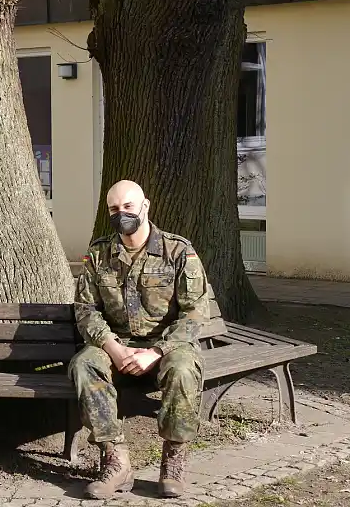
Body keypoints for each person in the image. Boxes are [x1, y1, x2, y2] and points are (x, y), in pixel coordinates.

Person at [69, 180, 209, 500]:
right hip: (116, 343)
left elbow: (195, 313)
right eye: (114, 210)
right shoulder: (98, 254)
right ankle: (115, 459)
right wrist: (113, 348)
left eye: (128, 207)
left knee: (184, 369)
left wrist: (156, 351)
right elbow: (86, 310)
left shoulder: (178, 251)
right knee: (84, 364)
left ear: (145, 206)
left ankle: (174, 459)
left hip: (168, 344)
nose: (122, 214)